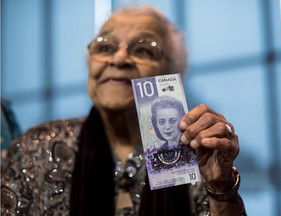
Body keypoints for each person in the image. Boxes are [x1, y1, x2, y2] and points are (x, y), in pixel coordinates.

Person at [1, 5, 246, 216]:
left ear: (172, 74)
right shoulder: (33, 149)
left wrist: (219, 185)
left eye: (143, 50)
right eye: (105, 47)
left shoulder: (197, 154)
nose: (118, 59)